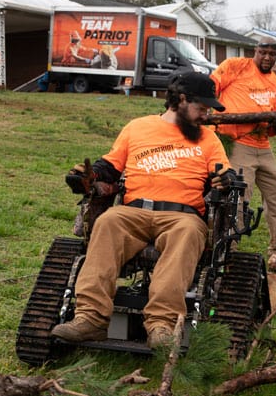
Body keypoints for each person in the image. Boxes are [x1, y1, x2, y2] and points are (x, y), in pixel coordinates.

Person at [51, 72, 235, 349]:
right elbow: (108, 167)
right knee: (108, 221)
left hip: (182, 216)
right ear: (181, 100)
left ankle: (161, 324)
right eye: (202, 108)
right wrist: (84, 177)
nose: (205, 115)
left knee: (187, 232)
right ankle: (90, 318)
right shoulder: (137, 128)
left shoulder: (208, 140)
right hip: (133, 212)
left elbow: (224, 173)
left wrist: (225, 181)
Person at [209, 36, 276, 256]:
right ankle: (229, 246)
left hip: (263, 146)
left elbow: (272, 128)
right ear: (255, 51)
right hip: (237, 143)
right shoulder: (235, 67)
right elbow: (211, 87)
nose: (266, 57)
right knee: (239, 196)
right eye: (262, 52)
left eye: (272, 54)